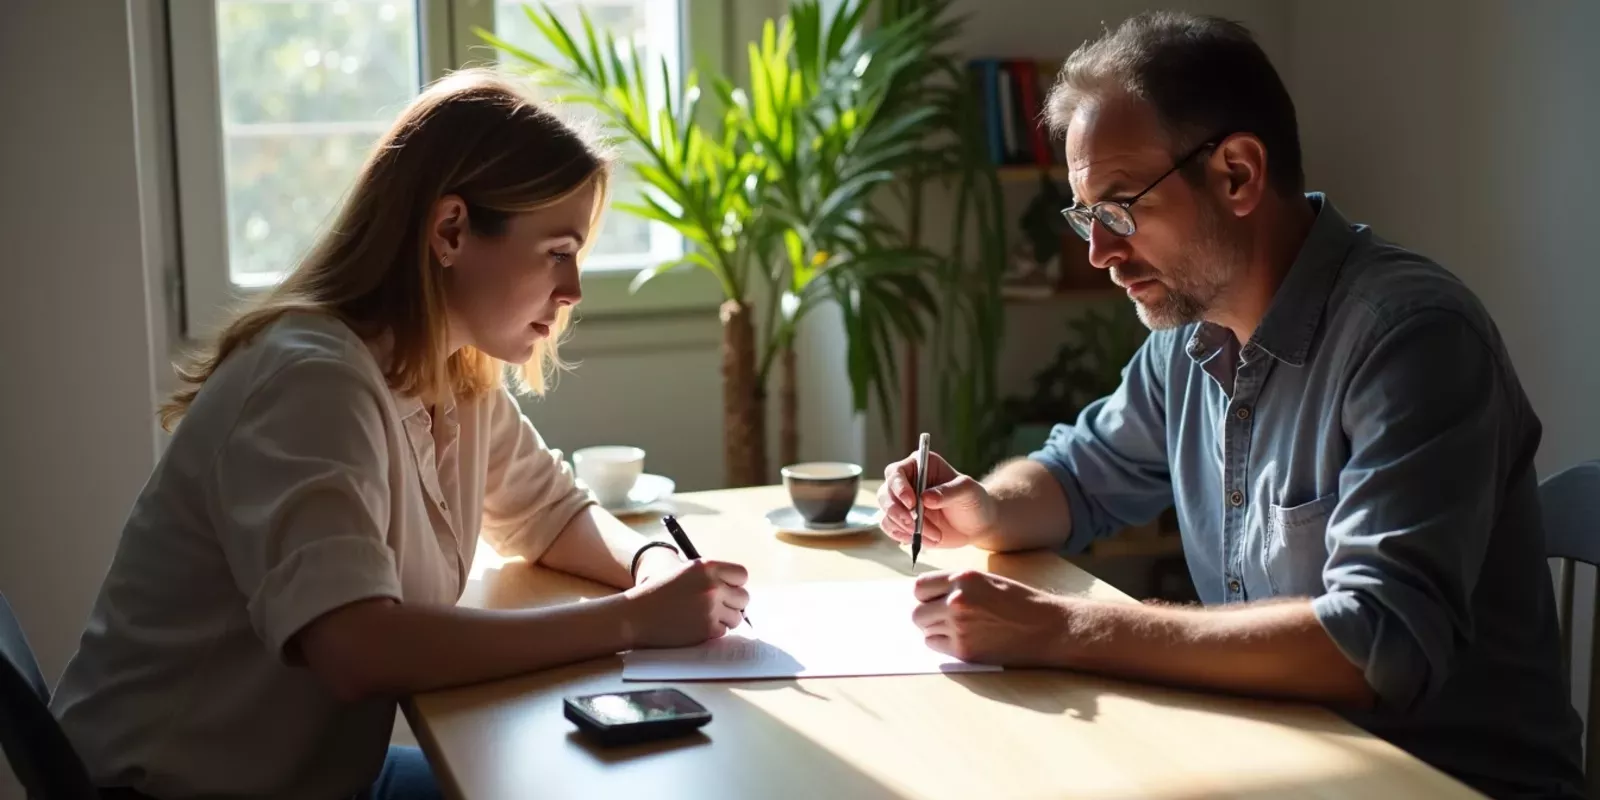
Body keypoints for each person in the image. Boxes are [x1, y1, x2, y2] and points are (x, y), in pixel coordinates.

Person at [878, 12, 1583, 799]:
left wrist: (1068, 627)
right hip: (1272, 762)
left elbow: (1373, 643)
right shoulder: (1190, 337)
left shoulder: (1414, 340)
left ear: (1239, 174)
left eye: (1118, 209)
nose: (1099, 254)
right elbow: (1078, 477)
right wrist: (981, 505)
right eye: (1086, 216)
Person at [50, 69, 749, 800]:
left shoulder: (453, 366)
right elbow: (355, 646)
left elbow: (550, 514)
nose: (573, 289)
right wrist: (633, 621)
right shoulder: (311, 383)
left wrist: (651, 563)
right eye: (557, 251)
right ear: (451, 230)